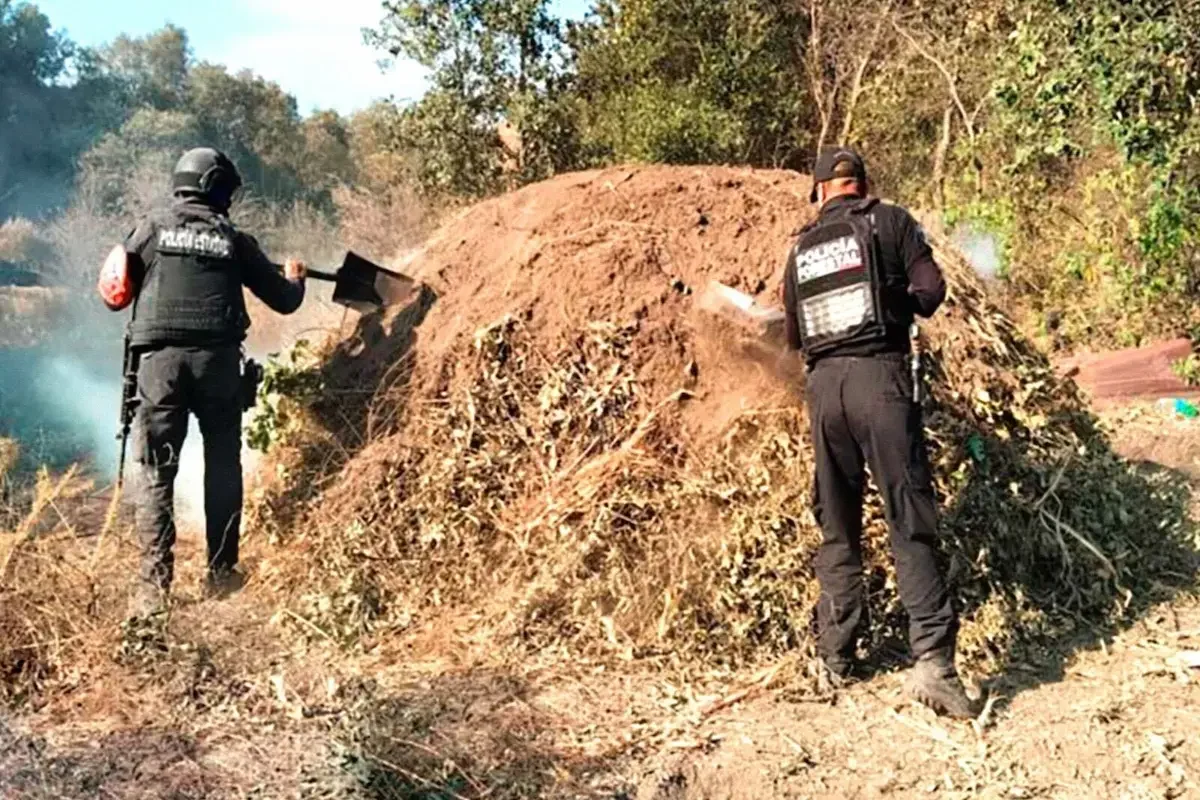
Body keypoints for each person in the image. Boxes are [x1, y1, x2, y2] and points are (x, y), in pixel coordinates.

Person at [782, 147, 978, 719]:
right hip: (880, 383)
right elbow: (932, 292)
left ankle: (835, 657)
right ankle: (935, 666)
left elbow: (794, 334)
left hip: (824, 394)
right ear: (862, 184)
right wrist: (896, 300)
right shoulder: (891, 221)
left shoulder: (801, 249)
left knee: (837, 526)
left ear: (820, 193)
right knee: (907, 517)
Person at [98, 147, 308, 620]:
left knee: (156, 472)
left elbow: (114, 293)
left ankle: (153, 591)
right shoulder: (233, 239)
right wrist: (295, 278)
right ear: (216, 187)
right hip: (217, 366)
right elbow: (285, 301)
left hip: (159, 368)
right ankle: (221, 573)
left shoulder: (149, 229)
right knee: (222, 467)